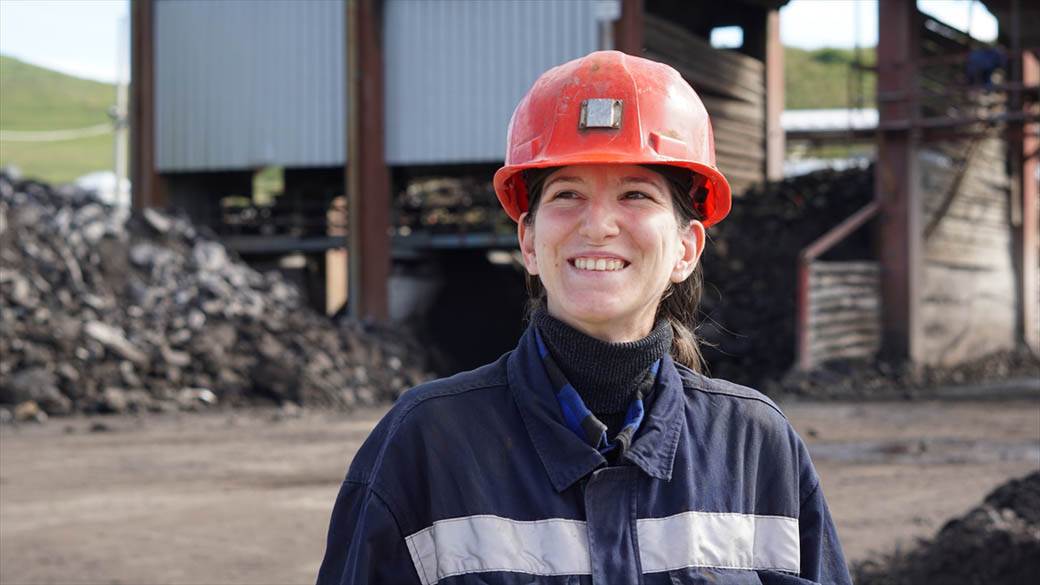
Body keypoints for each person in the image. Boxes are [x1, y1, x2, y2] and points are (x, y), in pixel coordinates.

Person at [317, 50, 852, 585]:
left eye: (636, 194)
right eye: (567, 194)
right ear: (529, 242)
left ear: (687, 249)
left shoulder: (754, 447)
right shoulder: (426, 445)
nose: (597, 226)